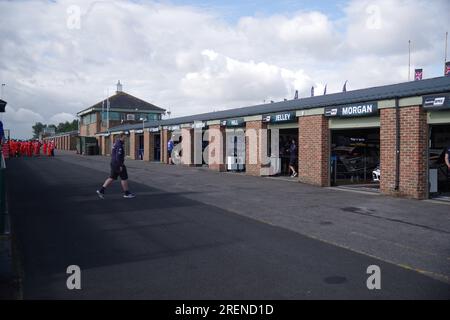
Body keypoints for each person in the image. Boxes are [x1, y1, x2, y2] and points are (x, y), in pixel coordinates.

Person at [96, 133, 135, 199]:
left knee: (112, 177)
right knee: (124, 178)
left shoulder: (116, 143)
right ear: (121, 137)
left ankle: (101, 190)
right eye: (124, 138)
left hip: (114, 163)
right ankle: (127, 193)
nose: (125, 139)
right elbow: (118, 156)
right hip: (118, 164)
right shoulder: (119, 145)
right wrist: (120, 165)